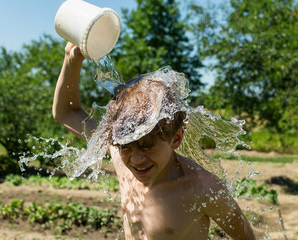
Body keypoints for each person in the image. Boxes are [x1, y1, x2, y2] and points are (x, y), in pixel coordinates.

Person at [52, 42, 256, 240]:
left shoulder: (202, 188)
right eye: (126, 147)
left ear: (176, 138)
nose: (137, 159)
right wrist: (72, 59)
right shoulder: (123, 160)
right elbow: (66, 113)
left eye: (147, 147)